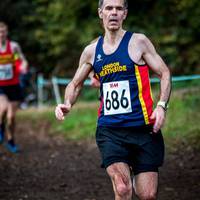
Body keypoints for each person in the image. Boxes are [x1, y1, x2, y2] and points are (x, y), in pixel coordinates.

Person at [55, 0, 171, 199]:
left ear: (125, 13)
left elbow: (165, 73)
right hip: (110, 130)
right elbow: (75, 84)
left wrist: (161, 106)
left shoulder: (139, 42)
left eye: (119, 8)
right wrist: (67, 103)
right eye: (109, 8)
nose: (114, 13)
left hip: (144, 129)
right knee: (122, 188)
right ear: (101, 13)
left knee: (148, 195)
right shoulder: (91, 51)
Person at [0, 22, 28, 153]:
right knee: (2, 111)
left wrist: (23, 65)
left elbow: (21, 59)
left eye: (3, 31)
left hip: (14, 85)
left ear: (7, 32)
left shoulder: (14, 46)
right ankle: (1, 131)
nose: (1, 34)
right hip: (1, 87)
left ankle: (11, 141)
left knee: (11, 117)